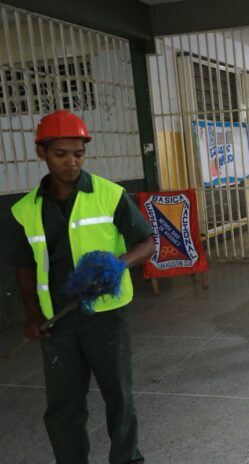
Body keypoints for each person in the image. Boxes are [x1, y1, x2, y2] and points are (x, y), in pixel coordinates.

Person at [8, 110, 155, 464]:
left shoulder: (110, 195)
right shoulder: (24, 210)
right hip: (56, 320)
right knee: (63, 406)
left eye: (78, 153)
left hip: (105, 316)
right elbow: (24, 265)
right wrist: (31, 313)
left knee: (118, 397)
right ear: (42, 153)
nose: (71, 162)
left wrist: (118, 264)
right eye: (61, 154)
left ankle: (127, 459)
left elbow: (147, 242)